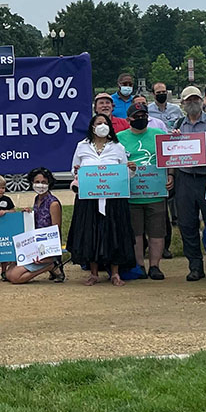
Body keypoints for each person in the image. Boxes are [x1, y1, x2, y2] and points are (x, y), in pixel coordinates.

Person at [67, 114, 136, 286]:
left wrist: (132, 169)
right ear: (92, 126)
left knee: (114, 233)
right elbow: (73, 171)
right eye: (99, 123)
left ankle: (115, 273)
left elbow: (125, 173)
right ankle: (93, 273)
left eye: (105, 123)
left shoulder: (118, 147)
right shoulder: (82, 146)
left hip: (113, 199)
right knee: (91, 233)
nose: (102, 126)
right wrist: (77, 172)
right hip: (89, 199)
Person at [171, 85, 206, 281]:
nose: (193, 102)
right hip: (185, 179)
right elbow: (171, 154)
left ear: (202, 101)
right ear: (183, 103)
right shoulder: (178, 124)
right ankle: (195, 266)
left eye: (196, 98)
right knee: (187, 224)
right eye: (189, 100)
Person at [116, 102, 171, 279]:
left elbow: (171, 157)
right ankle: (139, 265)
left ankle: (155, 265)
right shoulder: (119, 138)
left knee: (156, 231)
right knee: (136, 233)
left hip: (156, 192)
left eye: (144, 116)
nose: (141, 119)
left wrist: (172, 175)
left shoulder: (160, 135)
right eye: (137, 117)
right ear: (128, 119)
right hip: (131, 193)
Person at [6, 167, 68, 284]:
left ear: (49, 183)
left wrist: (50, 255)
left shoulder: (53, 203)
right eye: (37, 182)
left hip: (46, 248)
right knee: (8, 273)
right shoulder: (37, 199)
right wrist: (29, 213)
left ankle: (51, 266)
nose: (40, 185)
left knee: (14, 277)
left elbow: (56, 230)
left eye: (44, 182)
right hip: (34, 245)